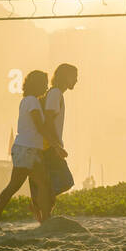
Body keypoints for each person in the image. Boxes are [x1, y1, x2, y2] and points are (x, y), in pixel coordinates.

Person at [0, 70, 65, 230]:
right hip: (28, 149)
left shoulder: (29, 101)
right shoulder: (31, 102)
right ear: (36, 84)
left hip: (27, 149)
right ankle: (45, 220)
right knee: (39, 185)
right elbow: (40, 126)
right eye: (43, 83)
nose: (46, 86)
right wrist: (56, 146)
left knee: (27, 185)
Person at [29, 63, 78, 219]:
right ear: (66, 77)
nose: (77, 80)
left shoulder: (55, 94)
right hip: (47, 146)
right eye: (74, 76)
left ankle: (43, 217)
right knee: (64, 180)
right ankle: (37, 203)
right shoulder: (55, 93)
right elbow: (49, 121)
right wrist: (56, 145)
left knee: (50, 182)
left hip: (45, 145)